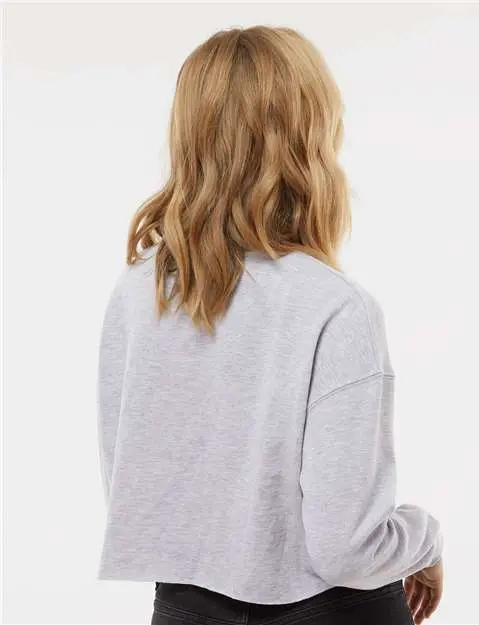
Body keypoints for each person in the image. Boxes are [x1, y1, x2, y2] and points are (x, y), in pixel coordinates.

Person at [96, 25, 444, 625]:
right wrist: (425, 538)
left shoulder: (139, 293)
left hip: (184, 610)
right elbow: (346, 548)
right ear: (312, 137)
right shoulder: (335, 307)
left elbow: (138, 493)